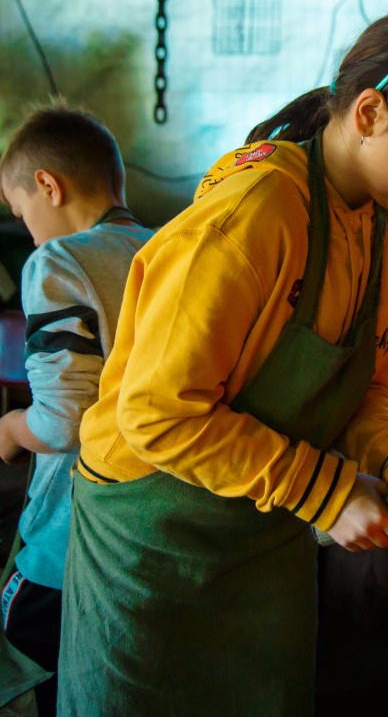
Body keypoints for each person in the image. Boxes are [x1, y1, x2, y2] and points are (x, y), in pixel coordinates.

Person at [55, 2, 388, 715]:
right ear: (369, 113)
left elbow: (366, 386)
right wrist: (327, 492)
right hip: (150, 539)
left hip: (262, 535)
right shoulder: (256, 212)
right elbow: (156, 414)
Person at [0, 104, 153, 717]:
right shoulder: (166, 249)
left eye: (21, 215)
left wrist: (11, 426)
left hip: (70, 531)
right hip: (147, 529)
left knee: (25, 666)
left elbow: (62, 422)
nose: (30, 232)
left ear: (48, 186)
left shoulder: (58, 261)